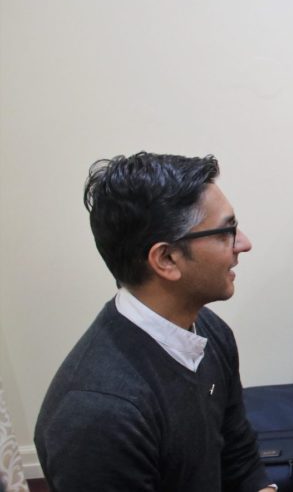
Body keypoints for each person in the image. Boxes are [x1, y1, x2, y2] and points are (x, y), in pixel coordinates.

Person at [35, 153, 274, 492]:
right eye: (227, 231)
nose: (244, 244)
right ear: (166, 259)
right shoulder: (99, 415)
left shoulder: (209, 332)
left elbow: (239, 461)